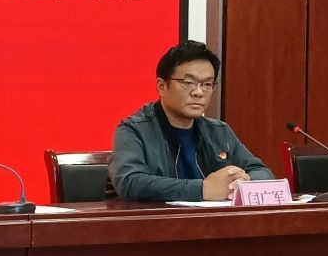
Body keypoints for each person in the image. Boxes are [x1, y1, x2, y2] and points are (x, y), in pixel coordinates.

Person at [106, 40, 273, 201]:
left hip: (212, 220)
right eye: (189, 82)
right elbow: (129, 182)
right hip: (156, 220)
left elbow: (262, 172)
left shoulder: (219, 132)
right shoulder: (133, 130)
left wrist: (242, 182)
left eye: (207, 84)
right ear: (162, 86)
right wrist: (202, 189)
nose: (198, 92)